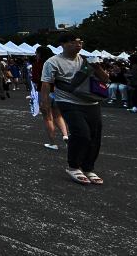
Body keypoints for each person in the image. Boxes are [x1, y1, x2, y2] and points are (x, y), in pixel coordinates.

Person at [40, 33, 109, 185]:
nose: (78, 44)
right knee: (81, 133)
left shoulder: (86, 60)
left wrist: (97, 67)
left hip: (91, 102)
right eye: (73, 42)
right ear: (63, 44)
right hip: (68, 101)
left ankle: (88, 168)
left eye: (80, 42)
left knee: (94, 137)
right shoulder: (53, 62)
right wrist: (45, 104)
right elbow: (46, 84)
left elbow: (105, 79)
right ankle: (74, 166)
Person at [31, 46, 68, 150]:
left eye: (36, 53)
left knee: (48, 118)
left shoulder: (37, 64)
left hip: (43, 91)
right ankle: (65, 135)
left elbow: (35, 79)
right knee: (58, 116)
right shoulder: (56, 62)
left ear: (40, 54)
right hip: (57, 92)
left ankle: (53, 143)